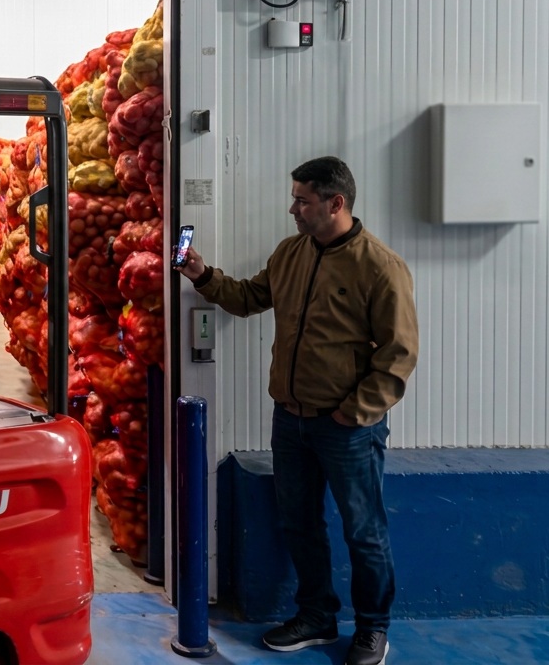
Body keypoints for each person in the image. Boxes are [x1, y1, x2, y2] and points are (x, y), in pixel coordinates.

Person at [174, 156, 417, 665]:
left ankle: (373, 629)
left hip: (347, 429)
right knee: (300, 524)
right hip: (290, 419)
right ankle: (317, 617)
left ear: (335, 203)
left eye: (302, 201)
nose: (293, 210)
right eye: (295, 199)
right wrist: (203, 275)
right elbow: (249, 297)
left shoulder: (379, 266)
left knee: (363, 532)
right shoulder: (291, 253)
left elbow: (398, 354)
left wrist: (355, 412)